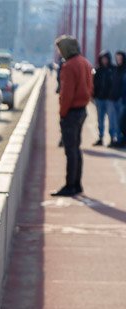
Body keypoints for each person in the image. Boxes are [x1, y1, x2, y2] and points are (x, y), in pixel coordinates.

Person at [53, 35, 93, 196]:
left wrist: (62, 113)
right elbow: (90, 88)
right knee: (76, 148)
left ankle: (70, 185)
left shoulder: (69, 66)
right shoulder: (85, 62)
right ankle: (77, 184)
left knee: (70, 150)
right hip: (82, 109)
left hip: (71, 111)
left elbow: (66, 93)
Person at [92, 52, 119, 145]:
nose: (104, 60)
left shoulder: (113, 69)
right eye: (103, 58)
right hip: (99, 98)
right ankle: (100, 137)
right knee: (100, 119)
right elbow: (94, 83)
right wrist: (94, 95)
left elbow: (115, 84)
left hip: (109, 99)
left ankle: (112, 137)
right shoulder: (97, 70)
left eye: (106, 58)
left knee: (112, 119)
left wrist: (112, 95)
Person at [113, 51, 126, 148]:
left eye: (120, 58)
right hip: (115, 99)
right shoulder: (115, 69)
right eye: (117, 58)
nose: (118, 60)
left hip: (123, 100)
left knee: (122, 121)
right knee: (116, 121)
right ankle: (118, 139)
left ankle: (122, 140)